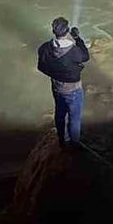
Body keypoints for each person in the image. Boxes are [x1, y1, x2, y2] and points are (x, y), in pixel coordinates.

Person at [36, 17, 91, 146]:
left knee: (59, 114)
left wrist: (54, 74)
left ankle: (62, 141)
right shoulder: (73, 51)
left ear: (54, 31)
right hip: (74, 89)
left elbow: (41, 67)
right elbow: (86, 56)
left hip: (56, 87)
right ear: (67, 31)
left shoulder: (45, 48)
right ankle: (75, 144)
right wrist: (77, 38)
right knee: (74, 118)